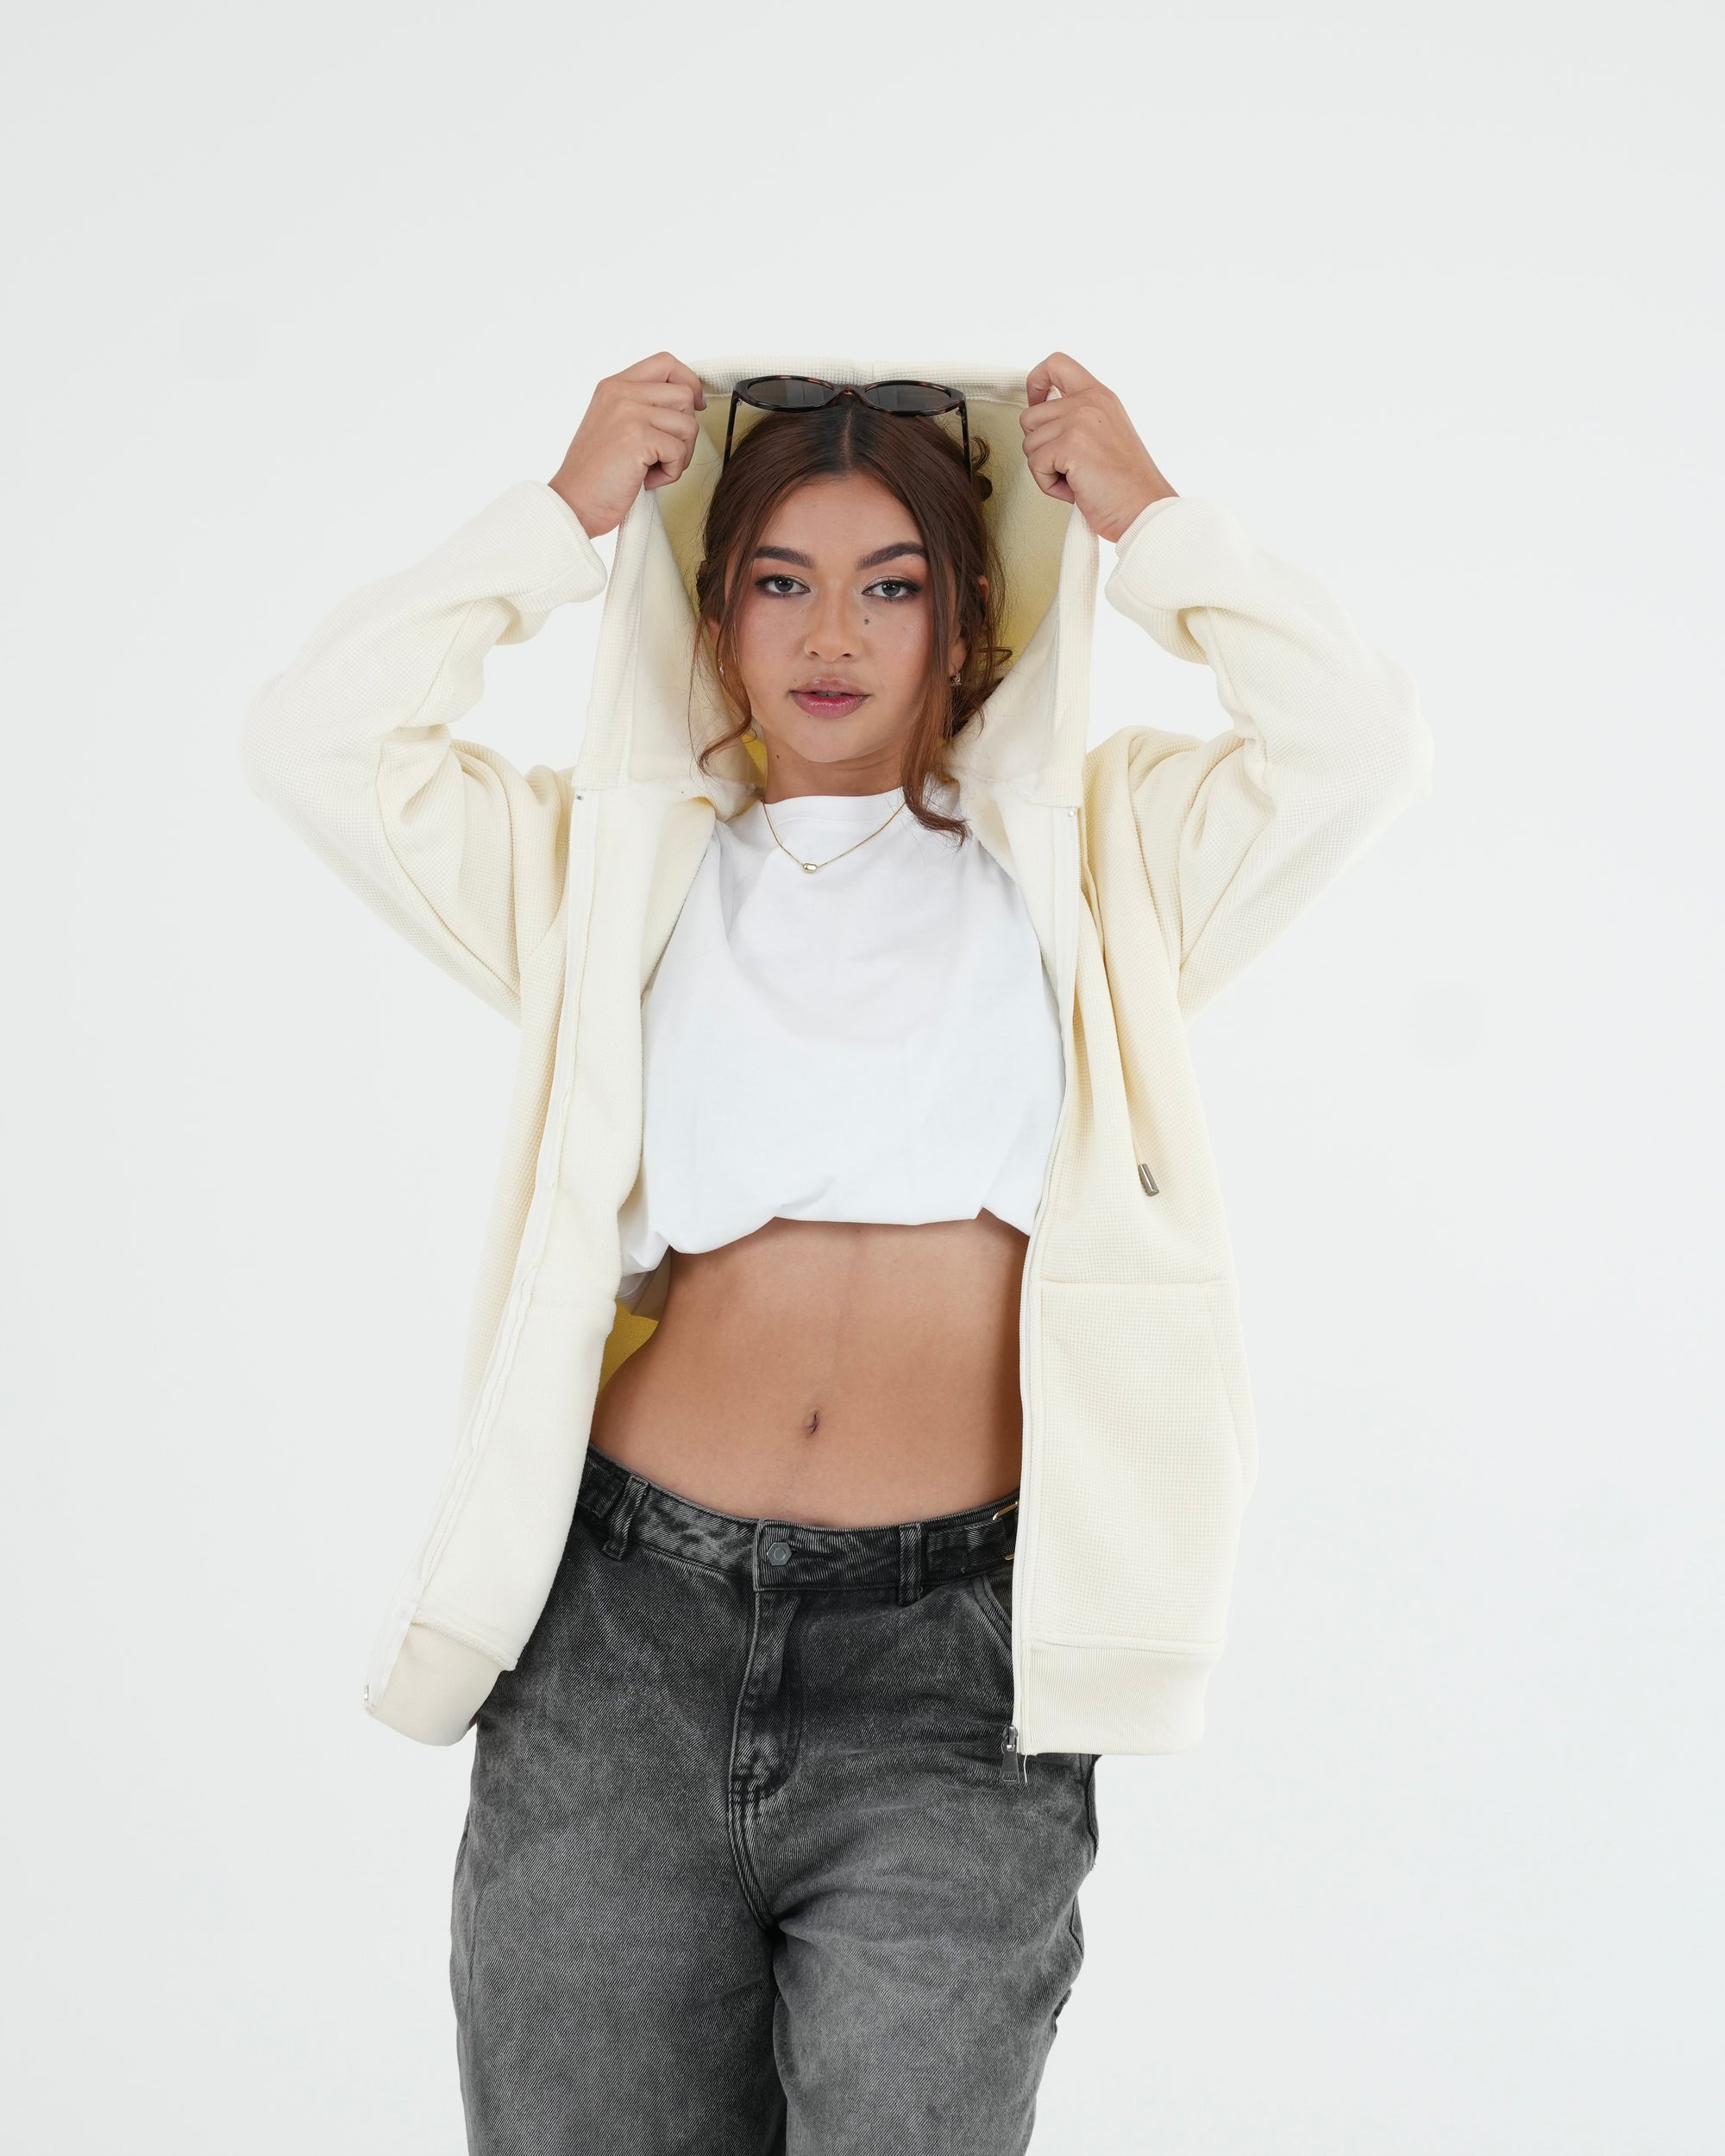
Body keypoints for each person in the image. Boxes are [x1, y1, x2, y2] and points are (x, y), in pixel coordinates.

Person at [241, 350, 1433, 2153]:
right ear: (716, 617)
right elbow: (313, 742)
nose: (832, 634)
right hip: (622, 1643)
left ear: (968, 623)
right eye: (780, 581)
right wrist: (562, 517)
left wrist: (1147, 515)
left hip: (953, 1676)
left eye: (892, 586)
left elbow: (1357, 744)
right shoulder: (607, 877)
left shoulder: (1100, 865)